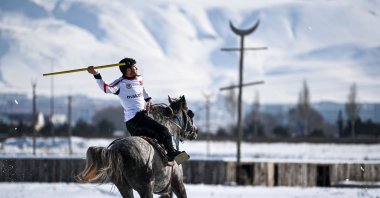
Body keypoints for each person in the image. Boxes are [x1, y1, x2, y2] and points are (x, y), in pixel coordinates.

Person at [87, 58, 185, 162]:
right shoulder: (120, 83)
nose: (137, 68)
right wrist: (96, 74)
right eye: (135, 67)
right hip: (135, 120)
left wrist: (148, 101)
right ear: (129, 70)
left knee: (158, 138)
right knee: (164, 131)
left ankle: (162, 160)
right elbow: (105, 88)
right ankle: (172, 154)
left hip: (143, 117)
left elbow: (142, 89)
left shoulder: (138, 78)